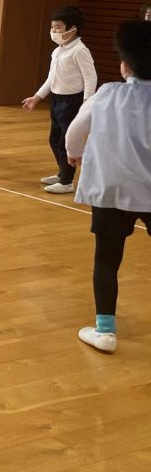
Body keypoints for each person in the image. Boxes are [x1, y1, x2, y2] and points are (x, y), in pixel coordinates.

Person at [65, 19, 151, 354]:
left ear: (125, 64)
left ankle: (105, 331)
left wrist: (73, 153)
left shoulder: (107, 94)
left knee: (106, 260)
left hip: (112, 189)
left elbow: (75, 132)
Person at [21, 6, 97, 194]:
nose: (54, 31)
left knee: (65, 142)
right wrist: (37, 97)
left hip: (72, 102)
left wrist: (87, 103)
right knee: (54, 140)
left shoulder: (80, 50)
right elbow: (51, 78)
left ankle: (67, 181)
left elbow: (90, 78)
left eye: (58, 27)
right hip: (57, 100)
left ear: (73, 28)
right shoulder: (57, 51)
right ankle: (62, 172)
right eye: (52, 27)